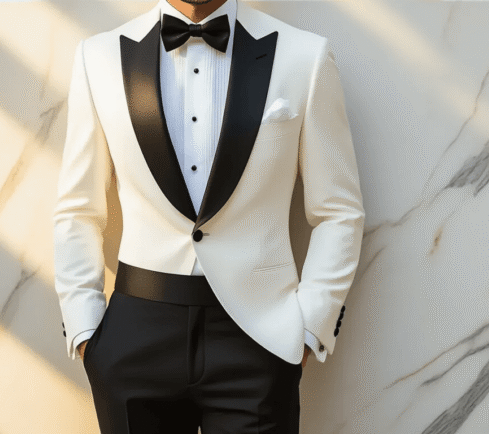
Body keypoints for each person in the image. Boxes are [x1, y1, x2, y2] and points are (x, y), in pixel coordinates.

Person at [53, 0, 364, 432]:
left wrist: (310, 329)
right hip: (135, 333)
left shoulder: (305, 56)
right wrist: (87, 333)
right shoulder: (99, 57)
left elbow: (339, 211)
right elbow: (78, 208)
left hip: (260, 338)